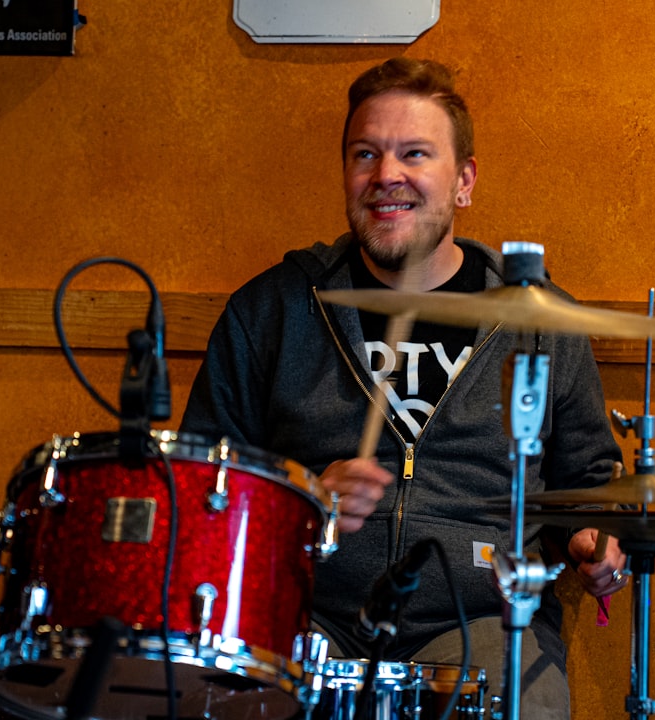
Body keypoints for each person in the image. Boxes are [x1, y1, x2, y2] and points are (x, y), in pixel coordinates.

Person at [181, 57, 628, 719]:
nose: (387, 175)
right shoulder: (273, 310)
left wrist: (594, 539)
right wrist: (302, 503)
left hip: (481, 623)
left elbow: (587, 483)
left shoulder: (540, 321)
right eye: (366, 154)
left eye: (414, 153)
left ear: (465, 180)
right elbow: (200, 490)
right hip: (306, 615)